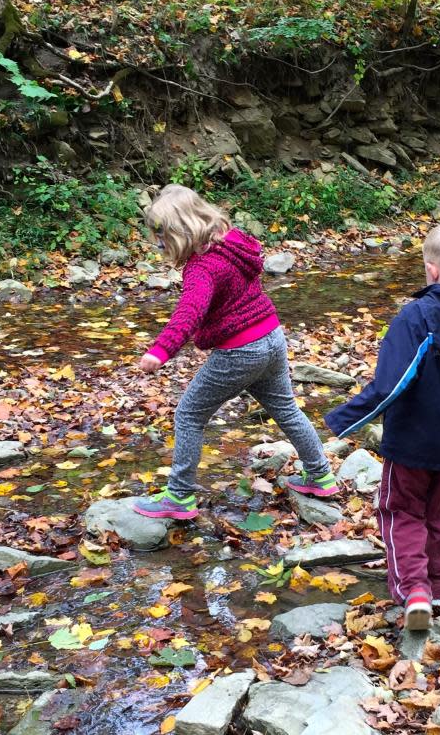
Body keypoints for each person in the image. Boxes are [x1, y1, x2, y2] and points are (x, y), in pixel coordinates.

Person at [325, 220, 440, 630]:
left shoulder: (416, 316)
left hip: (410, 441)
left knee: (401, 511)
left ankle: (415, 590)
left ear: (430, 269)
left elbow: (392, 382)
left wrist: (344, 419)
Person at [134, 184, 338, 520]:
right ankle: (320, 476)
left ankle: (179, 497)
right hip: (271, 337)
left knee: (188, 415)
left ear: (182, 231)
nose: (159, 245)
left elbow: (190, 312)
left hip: (240, 351)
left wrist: (160, 350)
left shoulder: (202, 267)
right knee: (286, 408)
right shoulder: (233, 242)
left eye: (163, 237)